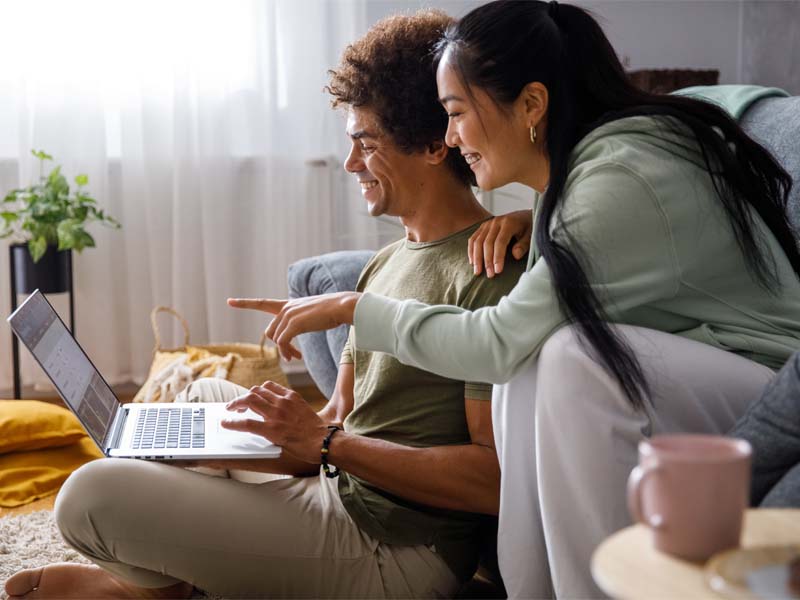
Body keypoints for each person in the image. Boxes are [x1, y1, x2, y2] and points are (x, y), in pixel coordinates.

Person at [236, 1, 800, 597]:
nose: (450, 136)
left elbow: (498, 340)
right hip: (699, 368)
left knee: (566, 357)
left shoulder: (619, 178)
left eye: (455, 112)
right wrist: (538, 223)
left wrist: (355, 309)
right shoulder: (586, 172)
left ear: (531, 105)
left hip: (766, 384)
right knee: (535, 365)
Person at [4, 10, 526, 600]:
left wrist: (325, 447)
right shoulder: (388, 261)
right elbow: (340, 413)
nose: (352, 164)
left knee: (86, 497)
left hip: (394, 550)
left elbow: (494, 480)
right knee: (202, 398)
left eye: (366, 143)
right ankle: (183, 574)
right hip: (337, 486)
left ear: (436, 145)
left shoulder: (490, 266)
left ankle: (151, 590)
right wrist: (295, 432)